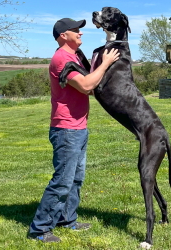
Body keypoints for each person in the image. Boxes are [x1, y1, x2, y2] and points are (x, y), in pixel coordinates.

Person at [28, 18, 120, 242]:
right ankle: (39, 229)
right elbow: (87, 85)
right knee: (62, 180)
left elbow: (90, 83)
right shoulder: (61, 59)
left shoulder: (75, 56)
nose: (80, 34)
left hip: (79, 127)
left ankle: (67, 219)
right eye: (76, 31)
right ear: (63, 36)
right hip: (66, 129)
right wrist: (106, 63)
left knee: (76, 179)